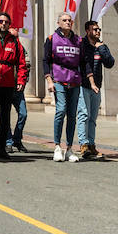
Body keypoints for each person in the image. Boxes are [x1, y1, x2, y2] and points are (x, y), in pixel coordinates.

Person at [0, 11, 28, 161]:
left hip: (8, 84)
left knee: (5, 119)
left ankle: (1, 149)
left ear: (9, 24)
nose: (3, 24)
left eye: (6, 22)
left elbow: (22, 63)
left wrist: (21, 81)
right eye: (1, 21)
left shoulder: (15, 42)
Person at [43, 12, 83, 162]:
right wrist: (49, 80)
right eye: (64, 20)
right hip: (59, 80)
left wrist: (88, 81)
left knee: (72, 115)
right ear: (58, 23)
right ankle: (57, 146)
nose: (68, 22)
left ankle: (70, 149)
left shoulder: (78, 40)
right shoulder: (51, 39)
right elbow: (45, 60)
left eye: (69, 20)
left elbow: (84, 62)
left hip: (74, 81)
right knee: (61, 110)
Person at [76, 20, 114, 161]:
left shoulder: (101, 46)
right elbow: (81, 63)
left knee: (93, 117)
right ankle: (83, 144)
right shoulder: (82, 45)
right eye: (95, 29)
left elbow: (110, 63)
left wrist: (102, 48)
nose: (98, 32)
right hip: (83, 85)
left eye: (99, 30)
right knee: (83, 114)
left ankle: (91, 144)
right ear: (88, 31)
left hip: (97, 86)